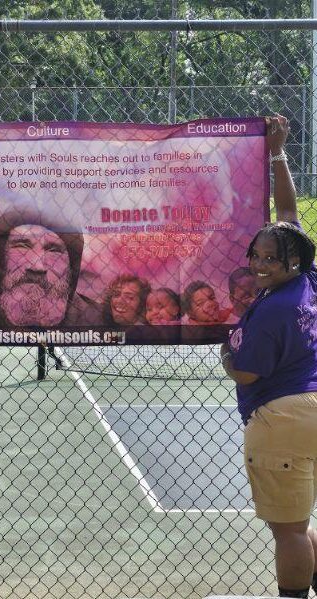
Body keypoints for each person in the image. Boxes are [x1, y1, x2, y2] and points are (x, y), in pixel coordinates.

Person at [221, 115, 317, 599]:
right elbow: (288, 210)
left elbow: (247, 371)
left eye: (269, 258)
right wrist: (277, 153)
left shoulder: (271, 312)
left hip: (282, 417)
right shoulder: (307, 279)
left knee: (289, 530)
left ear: (290, 261)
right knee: (302, 524)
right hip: (312, 405)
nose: (259, 264)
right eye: (255, 255)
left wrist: (225, 356)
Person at [0, 208, 102, 326]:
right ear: (1, 258)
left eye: (53, 250)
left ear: (72, 267)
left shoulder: (100, 320)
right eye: (22, 246)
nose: (36, 266)